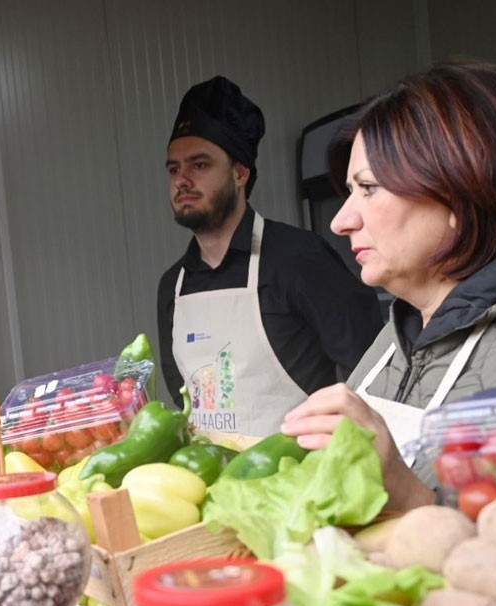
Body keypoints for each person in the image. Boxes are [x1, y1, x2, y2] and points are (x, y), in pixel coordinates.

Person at [281, 60, 496, 511]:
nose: (340, 221)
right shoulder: (398, 335)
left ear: (461, 192)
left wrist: (407, 493)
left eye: (369, 188)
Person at [157, 75, 383, 437]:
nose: (182, 179)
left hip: (300, 479)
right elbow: (182, 394)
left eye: (199, 165)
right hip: (211, 486)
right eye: (174, 168)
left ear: (239, 173)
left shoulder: (299, 259)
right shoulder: (173, 286)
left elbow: (375, 370)